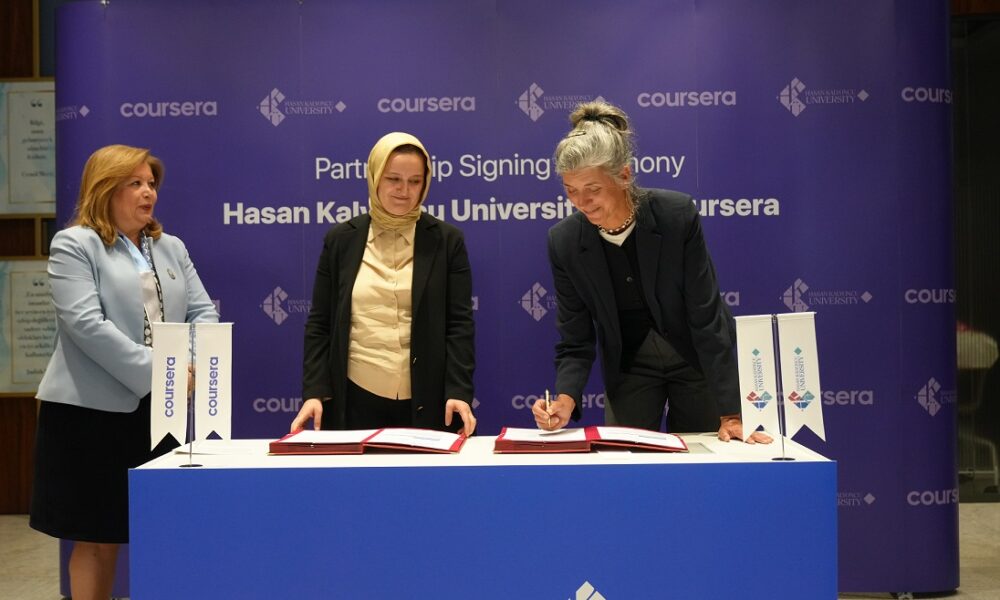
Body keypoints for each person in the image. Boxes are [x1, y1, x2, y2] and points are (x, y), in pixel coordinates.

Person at [30, 144, 219, 599]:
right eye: (134, 183)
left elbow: (202, 313)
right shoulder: (75, 245)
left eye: (151, 183)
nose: (148, 192)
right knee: (96, 537)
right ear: (105, 189)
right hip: (89, 414)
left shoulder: (170, 247)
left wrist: (190, 365)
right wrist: (164, 372)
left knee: (156, 530)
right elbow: (86, 325)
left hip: (162, 411)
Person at [533, 101, 771, 444]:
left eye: (593, 189)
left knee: (703, 460)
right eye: (571, 191)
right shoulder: (565, 242)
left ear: (624, 175)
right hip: (629, 367)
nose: (582, 202)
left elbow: (706, 316)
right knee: (627, 465)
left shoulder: (676, 216)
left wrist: (730, 412)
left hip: (695, 359)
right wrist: (565, 399)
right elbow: (575, 337)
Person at [291, 132, 476, 436]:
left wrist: (458, 390)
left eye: (415, 181)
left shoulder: (447, 241)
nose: (404, 190)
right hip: (354, 398)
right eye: (393, 179)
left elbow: (459, 325)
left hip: (429, 401)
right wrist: (314, 391)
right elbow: (320, 324)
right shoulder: (340, 241)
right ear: (375, 177)